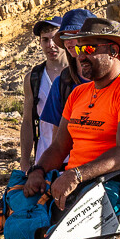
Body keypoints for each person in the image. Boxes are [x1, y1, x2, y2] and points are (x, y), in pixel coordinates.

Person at [24, 17, 120, 228]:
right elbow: (59, 147)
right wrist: (38, 171)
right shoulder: (78, 93)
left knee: (56, 232)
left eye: (88, 48)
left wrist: (75, 175)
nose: (81, 56)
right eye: (77, 49)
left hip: (117, 182)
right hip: (77, 180)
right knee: (18, 214)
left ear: (113, 51)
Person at [21, 15, 71, 172]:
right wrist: (24, 162)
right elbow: (28, 122)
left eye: (54, 39)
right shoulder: (34, 78)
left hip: (76, 158)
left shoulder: (81, 74)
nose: (50, 45)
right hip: (44, 159)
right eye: (45, 40)